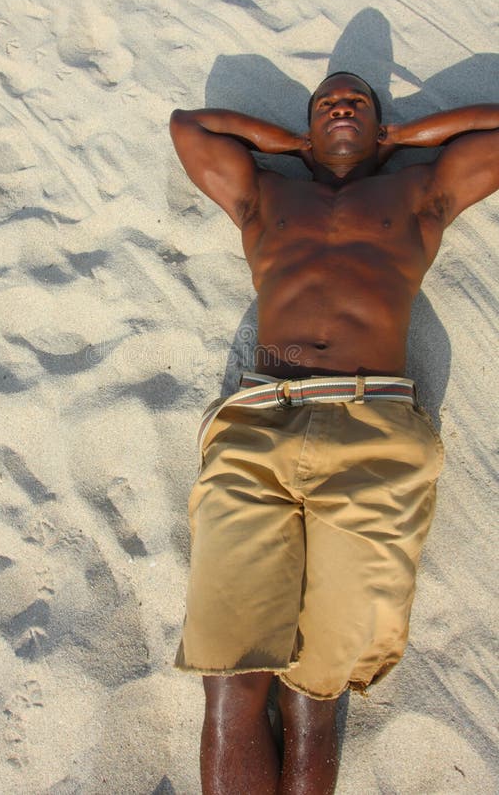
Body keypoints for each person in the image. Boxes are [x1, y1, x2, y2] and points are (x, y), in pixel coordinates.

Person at [169, 72, 498, 795]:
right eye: (325, 103)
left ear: (381, 127)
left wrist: (409, 138)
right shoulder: (265, 195)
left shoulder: (420, 193)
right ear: (308, 130)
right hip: (261, 420)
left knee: (318, 691)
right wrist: (285, 144)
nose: (341, 102)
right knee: (232, 676)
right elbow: (188, 128)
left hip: (374, 429)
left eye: (356, 100)